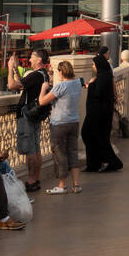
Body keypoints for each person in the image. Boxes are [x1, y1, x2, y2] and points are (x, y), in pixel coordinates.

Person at [7, 47, 49, 190]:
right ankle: (36, 179)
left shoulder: (36, 75)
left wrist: (9, 68)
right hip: (36, 114)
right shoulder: (44, 74)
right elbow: (23, 83)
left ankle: (31, 181)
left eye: (32, 56)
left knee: (30, 150)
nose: (29, 59)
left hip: (27, 115)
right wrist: (15, 69)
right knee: (36, 148)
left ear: (39, 60)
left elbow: (12, 85)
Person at [40, 60, 83, 194]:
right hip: (74, 122)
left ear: (61, 72)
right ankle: (76, 185)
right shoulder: (77, 83)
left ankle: (61, 185)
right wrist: (52, 77)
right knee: (73, 152)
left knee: (60, 153)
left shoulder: (61, 86)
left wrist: (43, 88)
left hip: (59, 123)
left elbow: (42, 101)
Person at [81, 47, 123, 173]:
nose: (93, 66)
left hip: (98, 115)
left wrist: (92, 85)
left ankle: (112, 162)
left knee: (92, 136)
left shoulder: (102, 77)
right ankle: (94, 163)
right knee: (95, 137)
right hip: (99, 114)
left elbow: (98, 93)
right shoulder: (103, 76)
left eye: (94, 64)